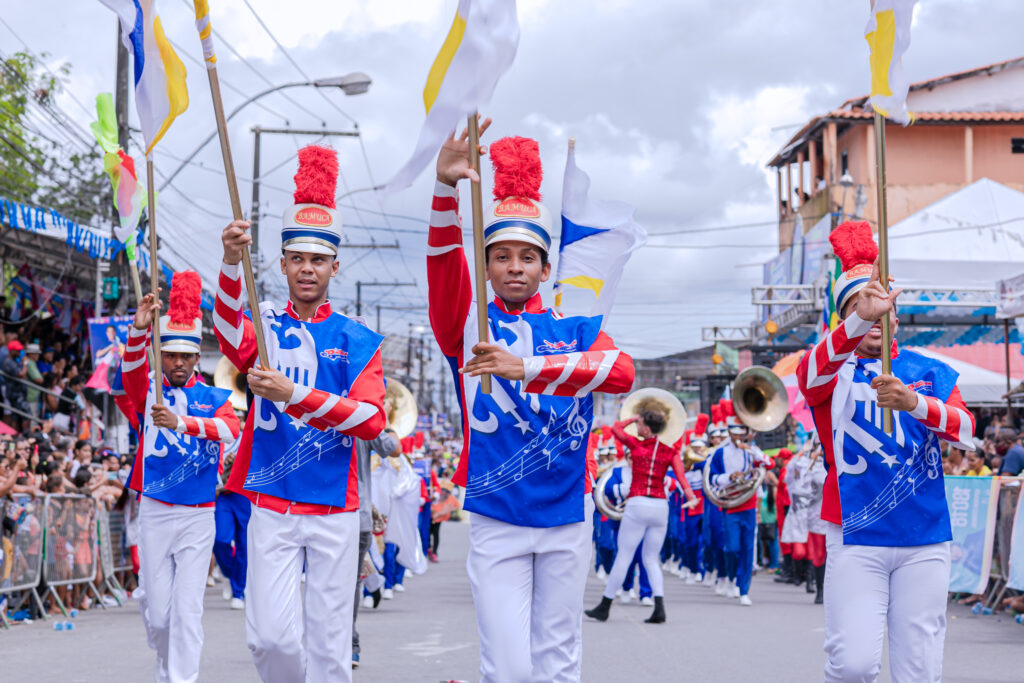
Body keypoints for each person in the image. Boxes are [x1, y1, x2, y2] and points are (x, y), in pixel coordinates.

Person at [428, 123, 634, 681]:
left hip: (568, 516)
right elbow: (444, 271)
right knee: (511, 668)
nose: (514, 266)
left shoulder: (580, 327)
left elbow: (621, 373)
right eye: (500, 256)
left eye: (527, 256)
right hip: (497, 517)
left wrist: (527, 368)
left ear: (546, 268)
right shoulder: (468, 324)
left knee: (558, 662)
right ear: (487, 265)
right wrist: (444, 192)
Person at [216, 145, 387, 683]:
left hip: (337, 509)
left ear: (334, 266)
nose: (307, 269)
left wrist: (293, 394)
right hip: (271, 500)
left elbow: (371, 421)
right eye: (297, 258)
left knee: (331, 649)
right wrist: (227, 261)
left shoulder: (357, 338)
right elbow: (225, 333)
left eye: (318, 260)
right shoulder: (264, 324)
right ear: (283, 263)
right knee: (270, 640)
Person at [796, 220, 975, 683]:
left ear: (895, 311)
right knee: (852, 665)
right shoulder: (830, 370)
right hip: (856, 536)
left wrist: (913, 403)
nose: (873, 315)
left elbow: (966, 430)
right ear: (843, 316)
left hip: (924, 537)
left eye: (879, 306)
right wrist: (858, 320)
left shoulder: (928, 370)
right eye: (858, 307)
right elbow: (809, 376)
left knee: (919, 670)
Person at [118, 271, 241, 683]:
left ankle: (182, 678)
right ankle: (165, 660)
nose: (177, 363)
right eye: (169, 354)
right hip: (154, 510)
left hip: (198, 514)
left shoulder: (213, 397)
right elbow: (129, 374)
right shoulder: (147, 391)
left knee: (188, 611)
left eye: (185, 356)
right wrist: (139, 330)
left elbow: (231, 430)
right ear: (161, 355)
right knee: (159, 612)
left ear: (195, 358)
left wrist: (181, 422)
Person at [586, 411, 695, 623]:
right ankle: (659, 608)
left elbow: (617, 428)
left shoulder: (636, 445)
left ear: (646, 428)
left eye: (640, 425)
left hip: (637, 503)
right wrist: (690, 496)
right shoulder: (670, 450)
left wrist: (633, 418)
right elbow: (681, 477)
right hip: (660, 506)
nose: (637, 428)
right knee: (651, 559)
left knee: (624, 556)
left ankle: (605, 605)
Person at [706, 400, 773, 606]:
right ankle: (730, 577)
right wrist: (730, 478)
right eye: (734, 433)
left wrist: (751, 449)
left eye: (741, 433)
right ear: (729, 432)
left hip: (749, 505)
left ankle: (744, 589)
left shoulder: (751, 450)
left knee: (747, 549)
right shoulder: (720, 453)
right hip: (730, 504)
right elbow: (713, 479)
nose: (737, 437)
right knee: (732, 547)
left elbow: (768, 464)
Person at [352, 428, 399, 669]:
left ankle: (342, 643)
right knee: (350, 583)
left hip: (343, 515)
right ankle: (349, 644)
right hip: (354, 515)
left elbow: (394, 451)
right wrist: (383, 418)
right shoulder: (364, 416)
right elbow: (395, 447)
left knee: (334, 583)